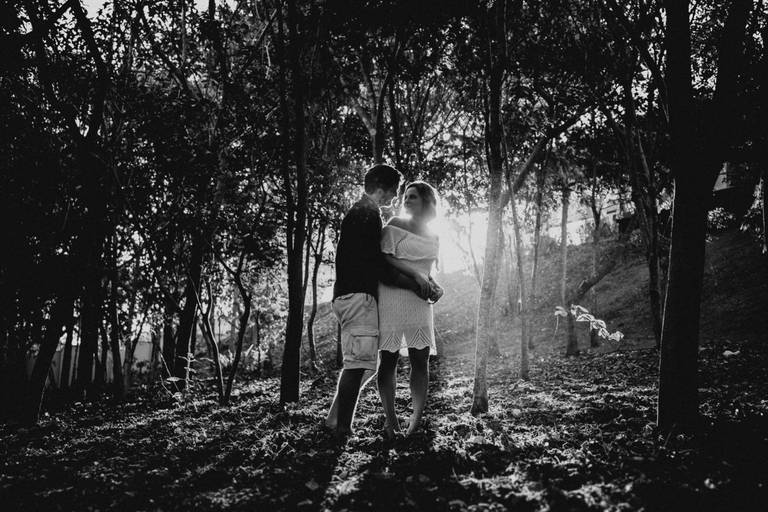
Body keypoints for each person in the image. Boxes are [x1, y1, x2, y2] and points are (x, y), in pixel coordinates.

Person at [325, 164, 432, 438]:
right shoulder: (368, 214)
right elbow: (377, 265)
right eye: (395, 191)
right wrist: (414, 283)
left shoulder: (363, 212)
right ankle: (343, 429)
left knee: (363, 364)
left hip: (352, 294)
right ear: (382, 188)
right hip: (357, 295)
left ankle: (334, 421)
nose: (395, 197)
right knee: (357, 365)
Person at [376, 181, 443, 438]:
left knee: (420, 360)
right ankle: (391, 421)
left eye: (412, 196)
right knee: (389, 359)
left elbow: (427, 270)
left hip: (419, 302)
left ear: (426, 201)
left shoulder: (435, 235)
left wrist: (435, 286)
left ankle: (415, 422)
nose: (406, 200)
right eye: (405, 196)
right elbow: (384, 257)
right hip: (392, 296)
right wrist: (414, 274)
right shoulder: (395, 224)